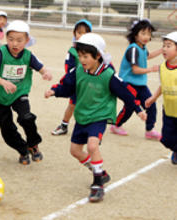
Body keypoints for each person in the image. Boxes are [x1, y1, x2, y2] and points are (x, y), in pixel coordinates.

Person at [45, 33, 147, 202]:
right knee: (75, 151)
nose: (82, 59)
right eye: (80, 56)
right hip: (82, 116)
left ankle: (97, 184)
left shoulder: (108, 75)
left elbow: (126, 93)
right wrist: (55, 91)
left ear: (98, 55)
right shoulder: (78, 71)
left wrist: (138, 109)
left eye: (85, 56)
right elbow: (66, 86)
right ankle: (100, 172)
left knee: (92, 146)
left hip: (99, 116)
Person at [0, 20, 52, 165]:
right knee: (7, 130)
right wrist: (3, 82)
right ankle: (23, 150)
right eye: (11, 39)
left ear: (27, 40)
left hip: (19, 93)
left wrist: (45, 73)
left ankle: (33, 144)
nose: (14, 44)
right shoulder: (0, 53)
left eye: (19, 40)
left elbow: (41, 67)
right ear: (6, 38)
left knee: (26, 117)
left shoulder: (28, 55)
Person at [110, 19, 162, 140]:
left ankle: (149, 130)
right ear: (135, 34)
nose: (146, 37)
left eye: (149, 34)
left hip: (140, 84)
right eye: (143, 33)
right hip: (128, 83)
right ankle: (116, 125)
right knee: (130, 107)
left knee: (151, 104)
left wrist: (161, 50)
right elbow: (135, 70)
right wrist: (151, 69)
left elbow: (147, 56)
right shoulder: (133, 49)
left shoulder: (142, 48)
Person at [51, 19, 92, 136]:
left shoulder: (93, 50)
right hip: (77, 83)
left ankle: (90, 127)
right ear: (74, 33)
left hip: (90, 84)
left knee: (90, 105)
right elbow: (69, 69)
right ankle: (64, 125)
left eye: (85, 33)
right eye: (79, 32)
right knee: (73, 104)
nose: (81, 35)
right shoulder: (72, 51)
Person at [145, 31, 177, 164]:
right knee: (166, 139)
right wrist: (153, 98)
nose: (164, 49)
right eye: (163, 45)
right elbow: (163, 85)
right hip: (169, 110)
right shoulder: (162, 67)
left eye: (169, 46)